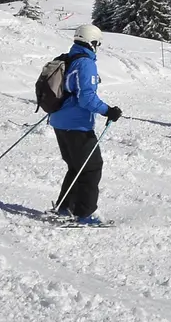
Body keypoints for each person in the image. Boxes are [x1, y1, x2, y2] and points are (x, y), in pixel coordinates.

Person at [49, 24, 121, 225]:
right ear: (92, 42)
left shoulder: (67, 57)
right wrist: (109, 111)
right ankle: (84, 214)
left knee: (76, 166)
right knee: (91, 167)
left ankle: (64, 208)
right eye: (97, 43)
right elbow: (86, 99)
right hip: (77, 125)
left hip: (59, 121)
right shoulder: (86, 63)